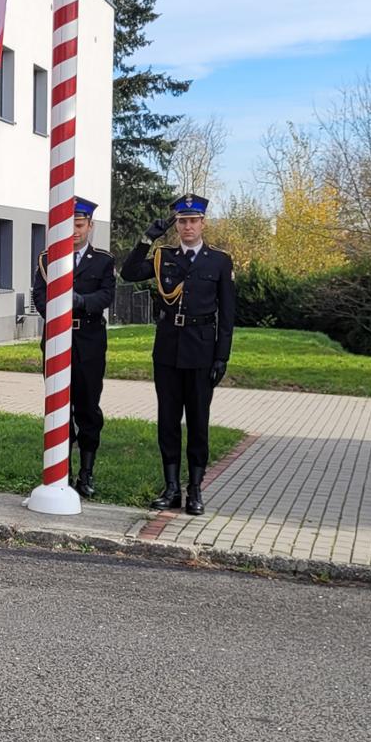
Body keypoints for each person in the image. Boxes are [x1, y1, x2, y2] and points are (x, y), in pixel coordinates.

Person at [118, 194, 236, 516]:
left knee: (198, 421)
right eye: (182, 221)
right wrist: (147, 238)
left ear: (202, 223)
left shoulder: (219, 261)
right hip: (168, 349)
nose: (187, 227)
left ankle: (195, 489)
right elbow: (128, 273)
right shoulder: (164, 257)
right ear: (177, 226)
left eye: (192, 221)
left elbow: (227, 315)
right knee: (168, 420)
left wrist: (221, 357)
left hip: (201, 350)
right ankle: (170, 487)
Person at [32, 197, 118, 497]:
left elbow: (107, 296)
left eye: (79, 226)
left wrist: (80, 302)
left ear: (90, 226)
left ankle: (87, 472)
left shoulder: (104, 260)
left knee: (88, 408)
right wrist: (56, 314)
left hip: (90, 341)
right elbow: (39, 296)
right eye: (68, 226)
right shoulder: (48, 259)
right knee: (59, 407)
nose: (73, 232)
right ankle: (61, 470)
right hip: (58, 338)